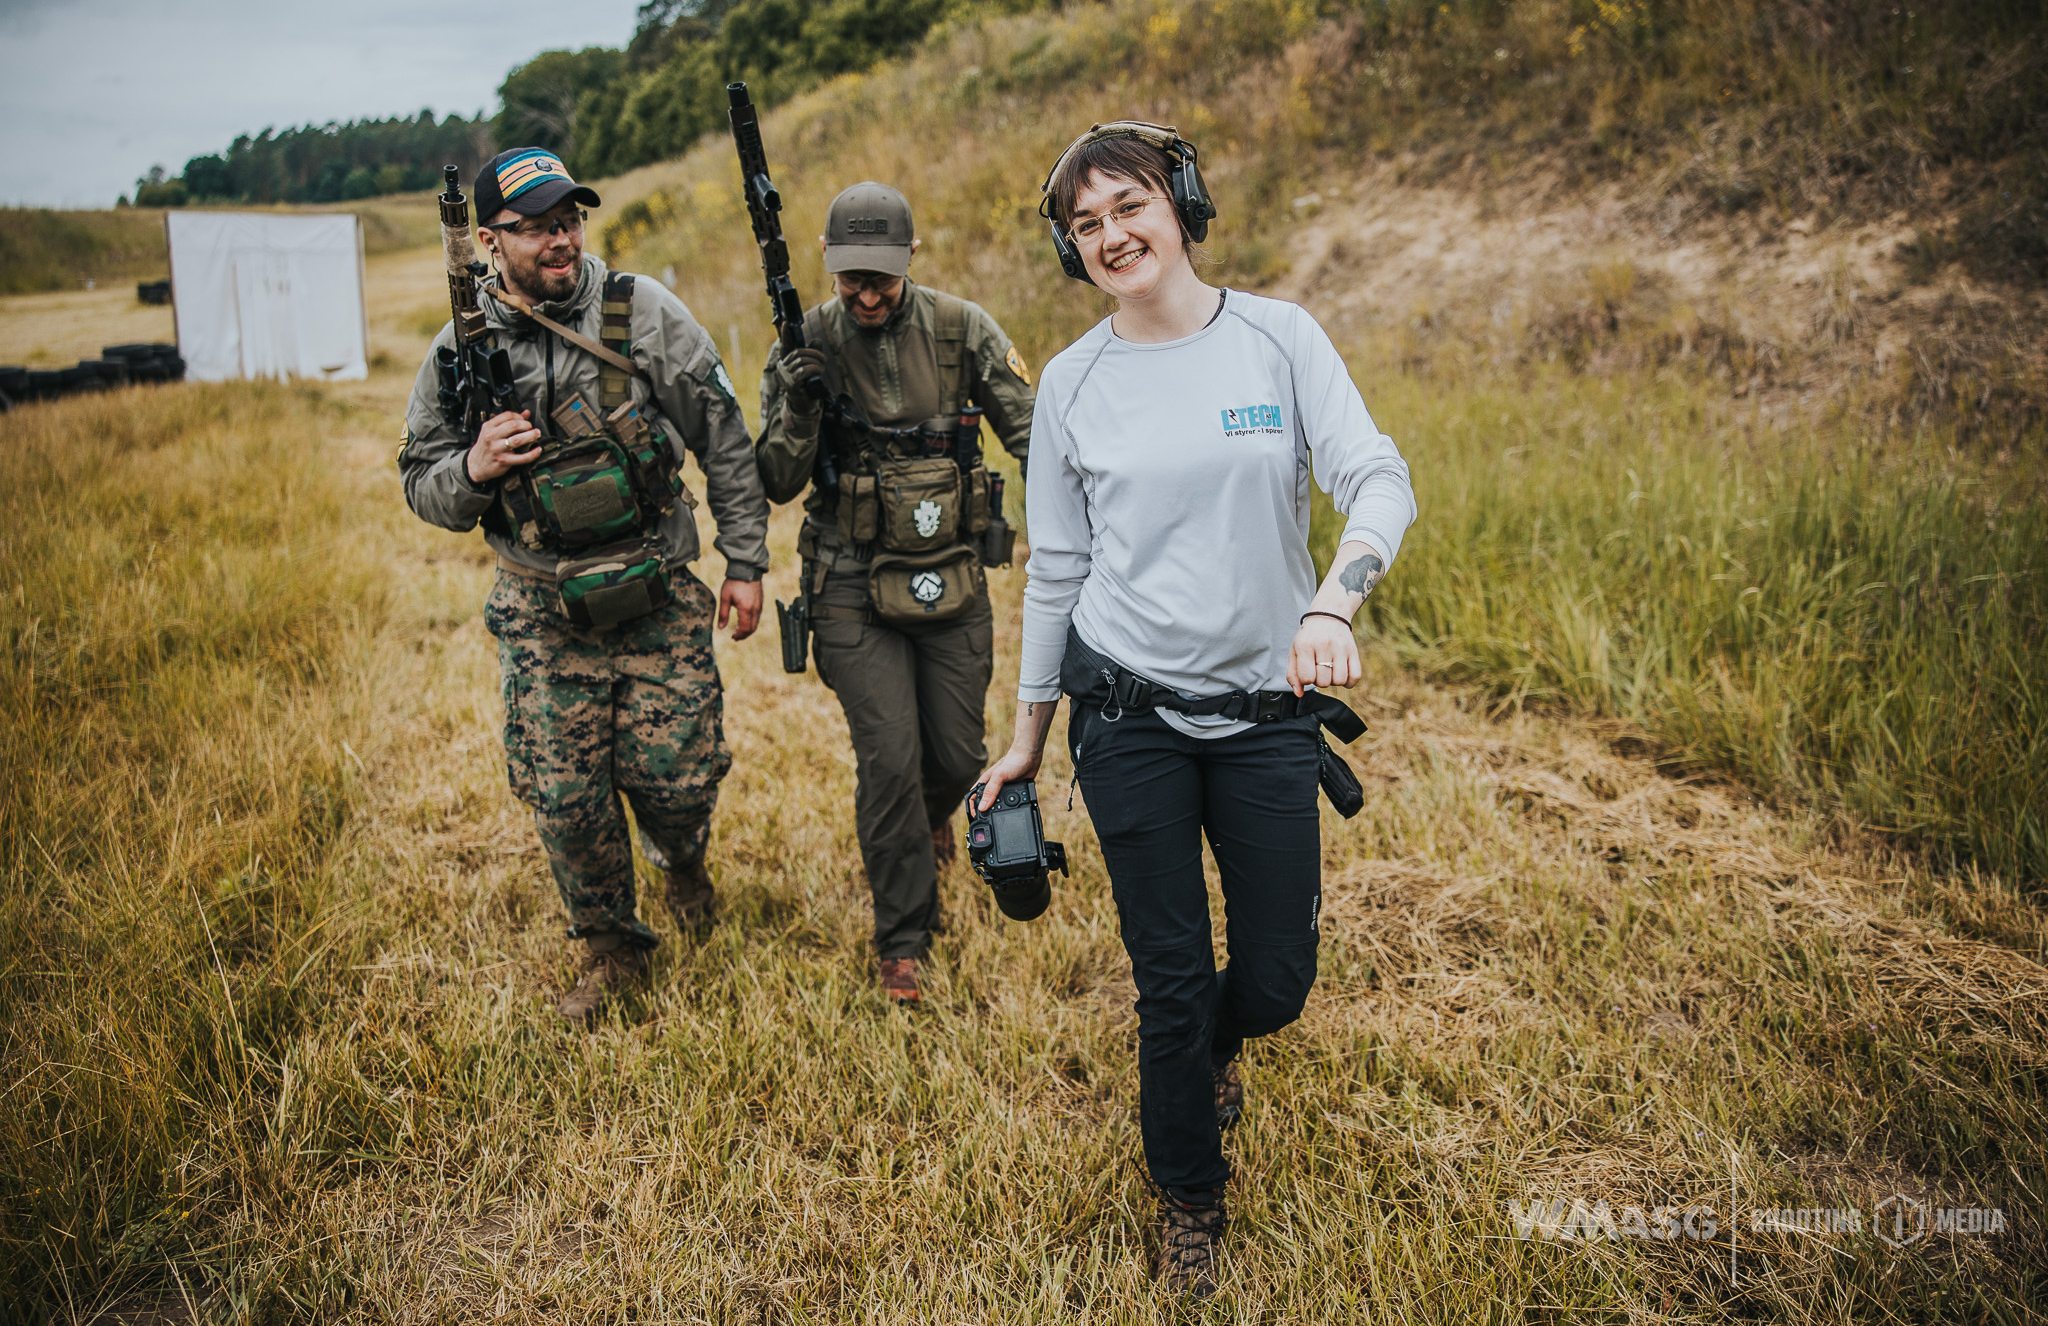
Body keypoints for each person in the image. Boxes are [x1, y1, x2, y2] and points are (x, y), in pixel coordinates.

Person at [974, 123, 1415, 1297]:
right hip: (1126, 715)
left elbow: (1377, 476)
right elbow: (1055, 571)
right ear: (1072, 250)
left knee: (1272, 983)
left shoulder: (1278, 340)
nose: (1112, 235)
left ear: (1180, 203)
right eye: (1085, 225)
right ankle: (1188, 1198)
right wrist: (1027, 736)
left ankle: (1223, 1049)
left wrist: (1332, 602)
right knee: (1168, 979)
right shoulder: (1070, 384)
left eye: (1127, 206)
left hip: (1270, 708)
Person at [399, 146, 770, 1022]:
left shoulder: (645, 314)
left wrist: (745, 562)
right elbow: (423, 482)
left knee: (676, 780)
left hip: (657, 588)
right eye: (536, 228)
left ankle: (682, 861)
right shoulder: (459, 349)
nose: (561, 239)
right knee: (566, 795)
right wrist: (476, 466)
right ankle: (609, 946)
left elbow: (723, 438)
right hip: (542, 604)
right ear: (490, 240)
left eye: (569, 220)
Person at [756, 181, 1034, 1005]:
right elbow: (775, 478)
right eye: (852, 280)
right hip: (845, 579)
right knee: (889, 758)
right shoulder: (801, 341)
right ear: (829, 266)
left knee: (955, 755)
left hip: (951, 568)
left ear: (911, 258)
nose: (868, 296)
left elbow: (1037, 435)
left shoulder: (961, 329)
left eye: (882, 277)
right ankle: (904, 935)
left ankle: (930, 820)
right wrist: (800, 408)